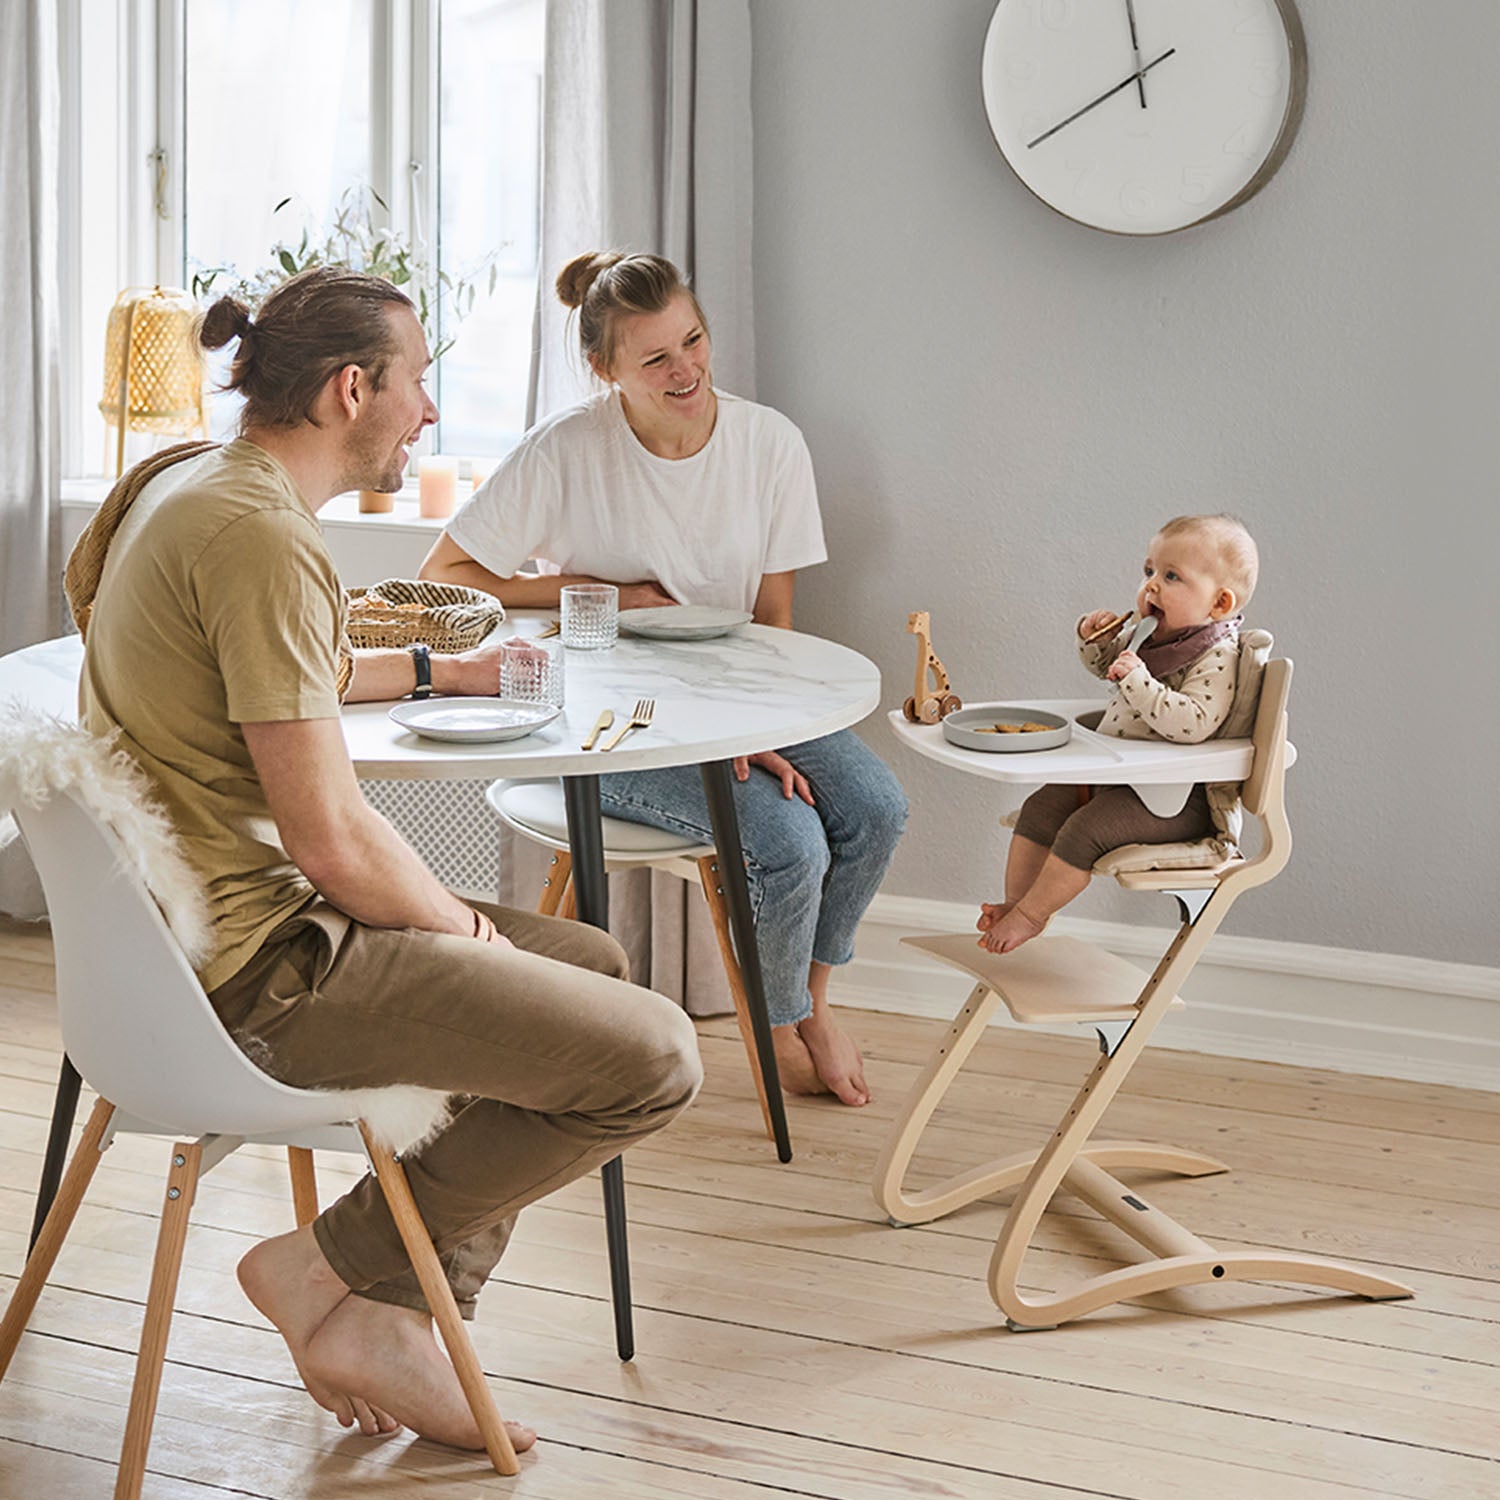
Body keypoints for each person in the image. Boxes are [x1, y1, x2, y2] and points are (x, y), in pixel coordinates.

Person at [72, 267, 702, 1457]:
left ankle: (406, 1311)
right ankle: (330, 1273)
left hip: (192, 941)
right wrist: (459, 934)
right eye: (417, 384)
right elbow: (334, 840)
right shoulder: (261, 535)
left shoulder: (195, 488)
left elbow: (268, 684)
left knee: (589, 956)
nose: (424, 414)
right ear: (349, 388)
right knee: (655, 1056)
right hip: (261, 973)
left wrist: (431, 672)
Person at [419, 251, 907, 1107]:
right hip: (607, 723)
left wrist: (760, 734)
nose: (687, 371)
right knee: (788, 844)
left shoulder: (769, 444)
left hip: (743, 698)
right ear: (607, 371)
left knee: (875, 808)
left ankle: (808, 1008)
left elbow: (775, 621)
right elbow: (445, 576)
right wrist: (590, 591)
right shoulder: (568, 450)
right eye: (655, 359)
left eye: (694, 341)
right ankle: (780, 1019)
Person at [977, 513, 1258, 954]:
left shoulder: (1216, 655)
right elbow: (1108, 668)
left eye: (1172, 576)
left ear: (1220, 604)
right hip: (1119, 776)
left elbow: (1194, 723)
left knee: (1083, 830)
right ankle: (1016, 903)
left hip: (1175, 799)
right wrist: (1096, 640)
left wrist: (1139, 680)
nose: (1151, 586)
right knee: (1042, 806)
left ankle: (1031, 916)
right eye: (1149, 571)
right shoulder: (1153, 633)